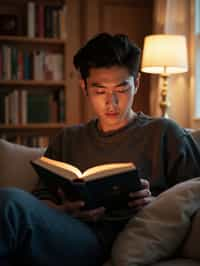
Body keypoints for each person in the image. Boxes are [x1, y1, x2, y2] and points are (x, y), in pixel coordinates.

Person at [0, 33, 200, 266]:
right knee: (10, 202)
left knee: (10, 201)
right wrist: (63, 210)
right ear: (84, 87)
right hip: (72, 233)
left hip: (128, 238)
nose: (111, 102)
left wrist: (154, 203)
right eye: (100, 91)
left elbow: (193, 193)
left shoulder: (165, 133)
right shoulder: (69, 138)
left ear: (136, 83)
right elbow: (40, 199)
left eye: (121, 89)